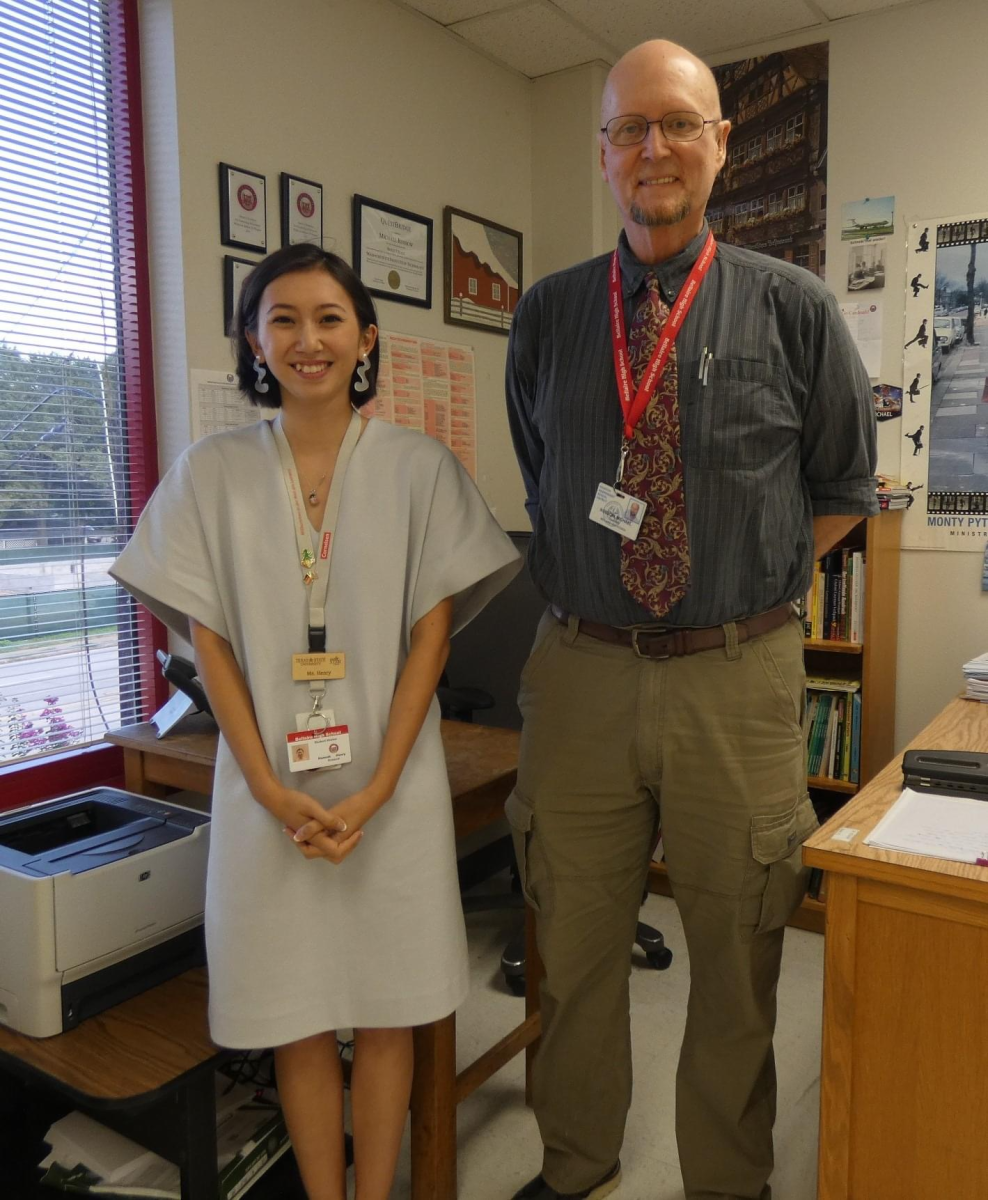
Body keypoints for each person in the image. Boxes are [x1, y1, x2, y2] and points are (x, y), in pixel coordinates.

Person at [505, 39, 877, 1200]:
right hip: (580, 675)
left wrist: (732, 591)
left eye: (678, 123)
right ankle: (574, 1167)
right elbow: (544, 476)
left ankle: (726, 1180)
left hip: (736, 678)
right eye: (630, 129)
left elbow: (840, 495)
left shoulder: (797, 309)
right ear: (603, 152)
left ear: (721, 141)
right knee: (567, 951)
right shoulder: (551, 315)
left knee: (735, 957)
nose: (653, 148)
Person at [111, 243, 519, 1200]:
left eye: (330, 318)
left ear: (365, 338)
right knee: (294, 1012)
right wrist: (261, 786)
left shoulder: (420, 468)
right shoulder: (212, 472)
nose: (308, 339)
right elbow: (208, 643)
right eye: (282, 319)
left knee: (385, 1011)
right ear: (254, 340)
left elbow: (432, 641)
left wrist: (377, 786)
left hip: (393, 787)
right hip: (267, 795)